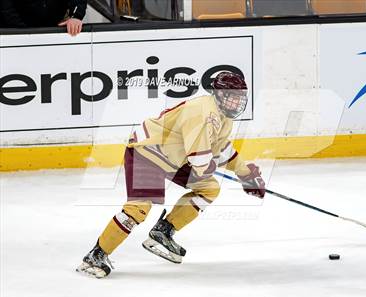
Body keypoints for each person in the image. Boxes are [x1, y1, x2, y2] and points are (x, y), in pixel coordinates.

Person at [77, 71, 266, 278]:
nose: (236, 102)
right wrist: (215, 167)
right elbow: (200, 161)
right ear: (218, 94)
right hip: (148, 151)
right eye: (231, 96)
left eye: (239, 97)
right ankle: (95, 255)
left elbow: (221, 151)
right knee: (139, 208)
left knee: (209, 188)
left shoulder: (222, 118)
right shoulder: (202, 113)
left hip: (175, 156)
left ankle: (164, 230)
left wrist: (246, 174)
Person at [0, 0, 87, 36]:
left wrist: (76, 17)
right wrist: (24, 32)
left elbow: (79, 2)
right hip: (12, 35)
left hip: (54, 33)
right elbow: (6, 8)